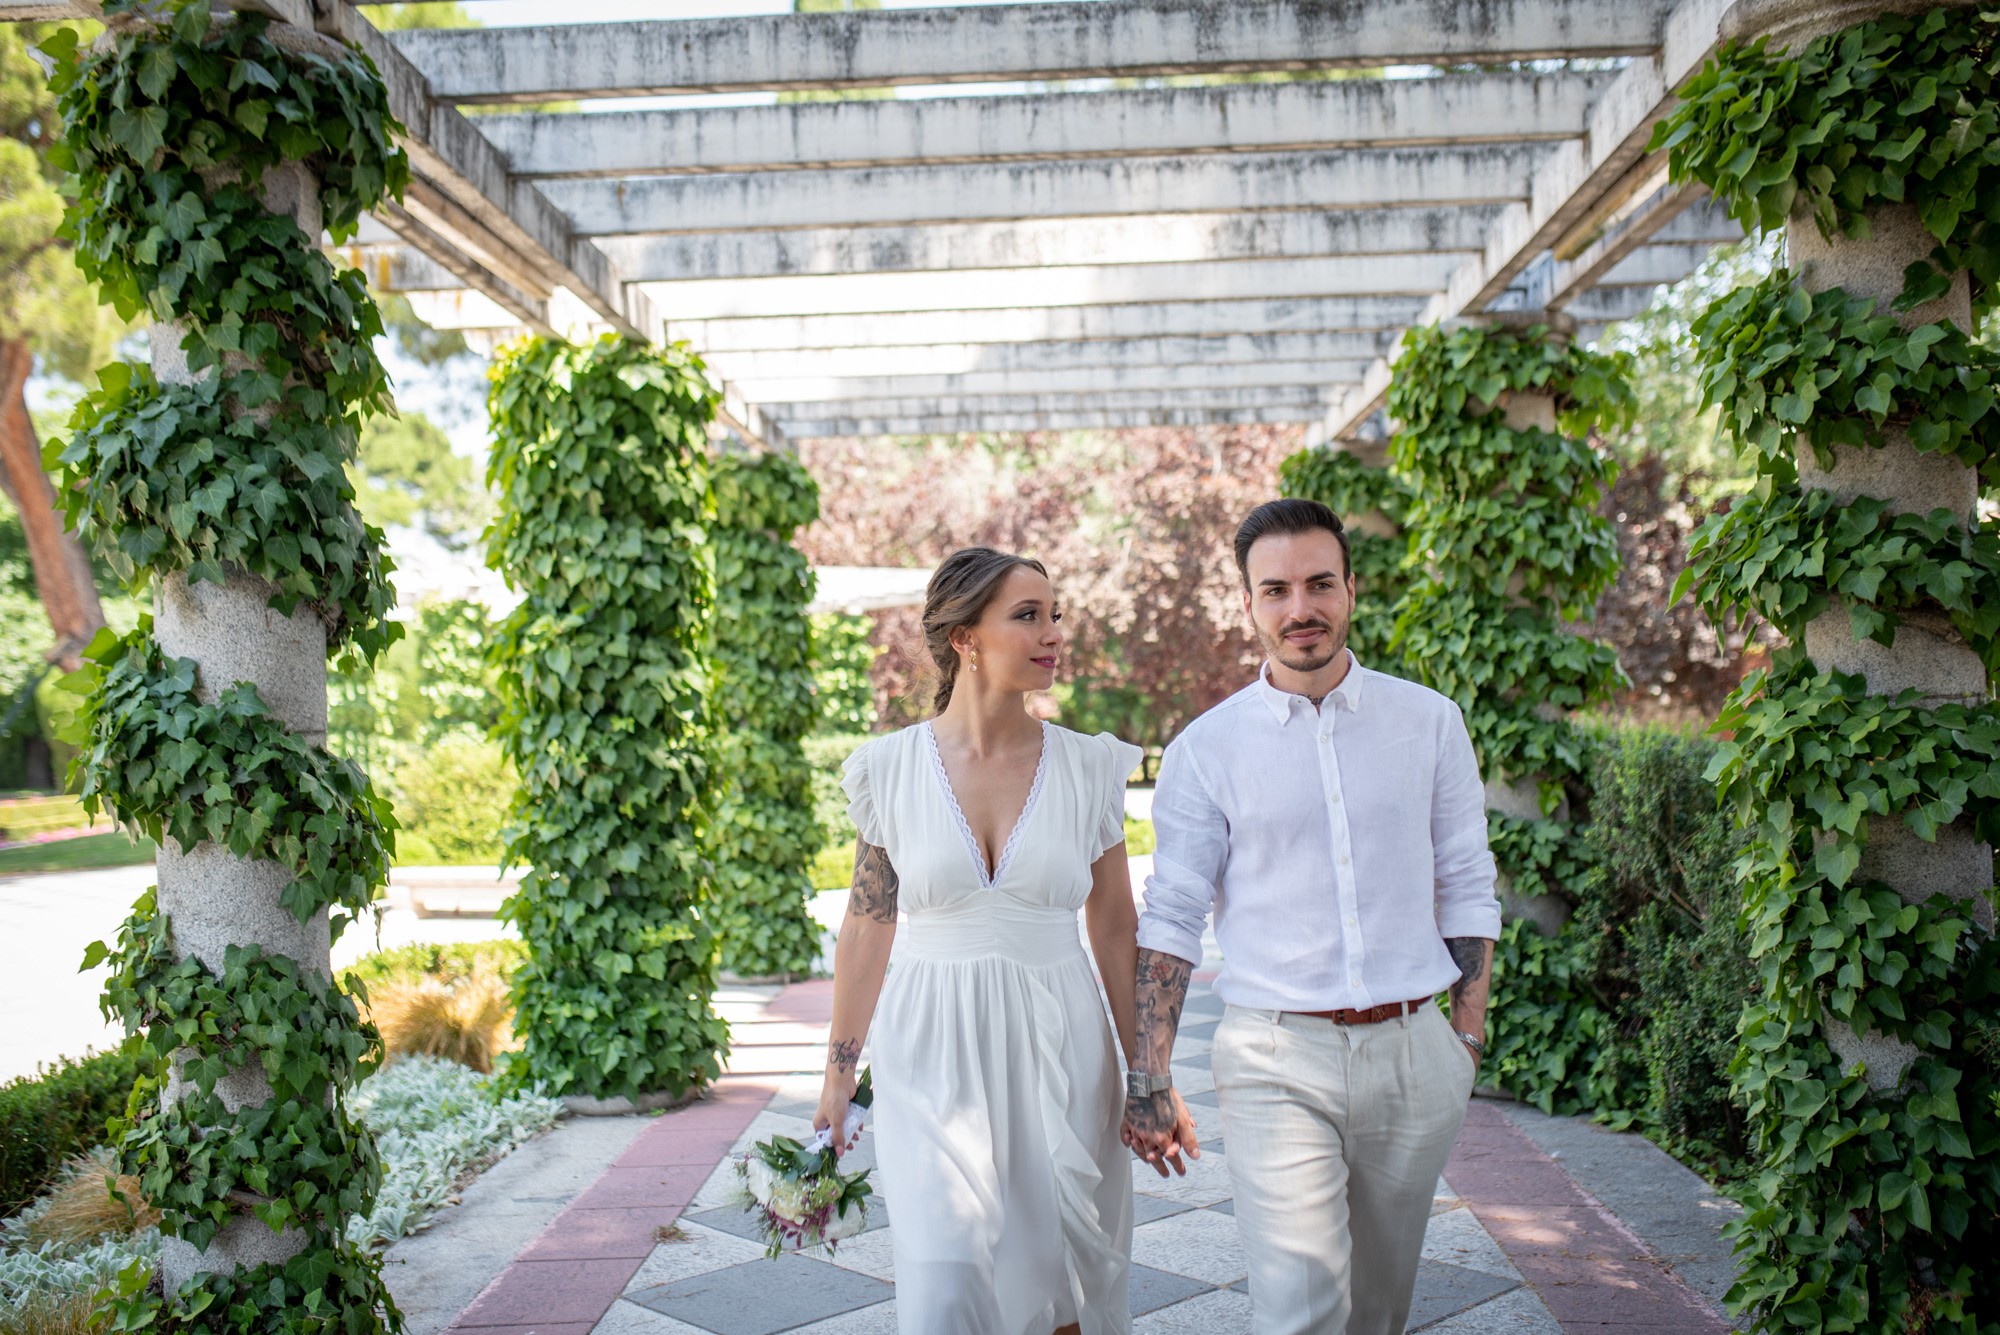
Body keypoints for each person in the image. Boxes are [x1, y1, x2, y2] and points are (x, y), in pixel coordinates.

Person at [1121, 498, 1501, 1335]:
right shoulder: (1205, 750)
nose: (1302, 608)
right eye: (1278, 589)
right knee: (1301, 1307)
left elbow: (1467, 880)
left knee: (1377, 1307)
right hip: (1273, 1057)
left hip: (1415, 1054)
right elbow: (1173, 917)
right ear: (1249, 603)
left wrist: (1463, 1039)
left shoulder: (1430, 722)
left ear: (1351, 589)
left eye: (1320, 583)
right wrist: (1149, 1077)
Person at [815, 546, 1147, 1335]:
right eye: (1028, 615)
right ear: (964, 636)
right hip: (931, 1050)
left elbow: (1115, 925)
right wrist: (838, 1071)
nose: (1053, 633)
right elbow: (868, 923)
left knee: (1064, 1278)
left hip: (1064, 1045)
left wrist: (1147, 1070)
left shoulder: (1088, 766)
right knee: (947, 1279)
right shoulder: (889, 769)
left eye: (1055, 614)